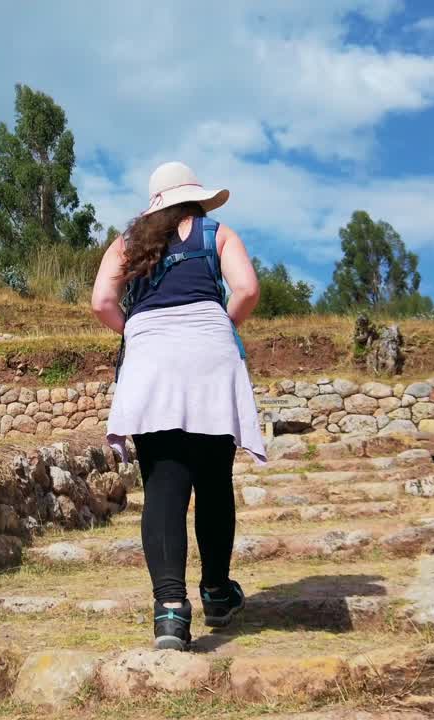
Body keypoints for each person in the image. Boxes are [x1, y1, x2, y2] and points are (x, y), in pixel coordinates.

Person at [91, 161, 267, 651]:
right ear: (194, 198)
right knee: (213, 479)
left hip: (150, 356)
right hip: (210, 352)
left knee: (164, 485)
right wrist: (220, 325)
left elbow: (103, 299)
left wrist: (138, 332)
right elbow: (248, 289)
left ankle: (170, 611)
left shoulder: (128, 241)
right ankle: (216, 592)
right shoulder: (217, 233)